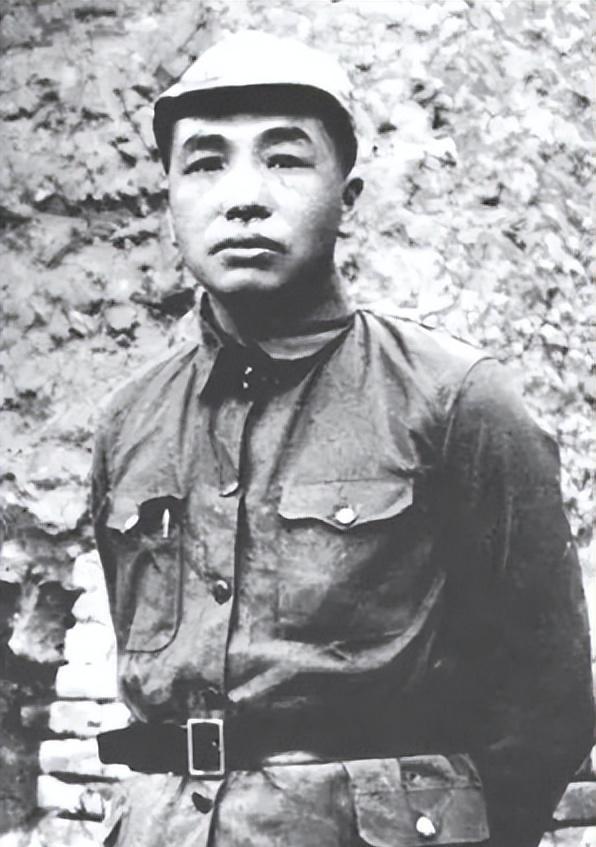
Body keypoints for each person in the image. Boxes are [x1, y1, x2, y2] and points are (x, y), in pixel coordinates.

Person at [92, 31, 593, 847]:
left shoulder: (455, 400)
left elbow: (549, 700)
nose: (244, 196)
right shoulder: (129, 422)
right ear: (169, 193)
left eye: (286, 159)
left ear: (348, 195)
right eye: (206, 162)